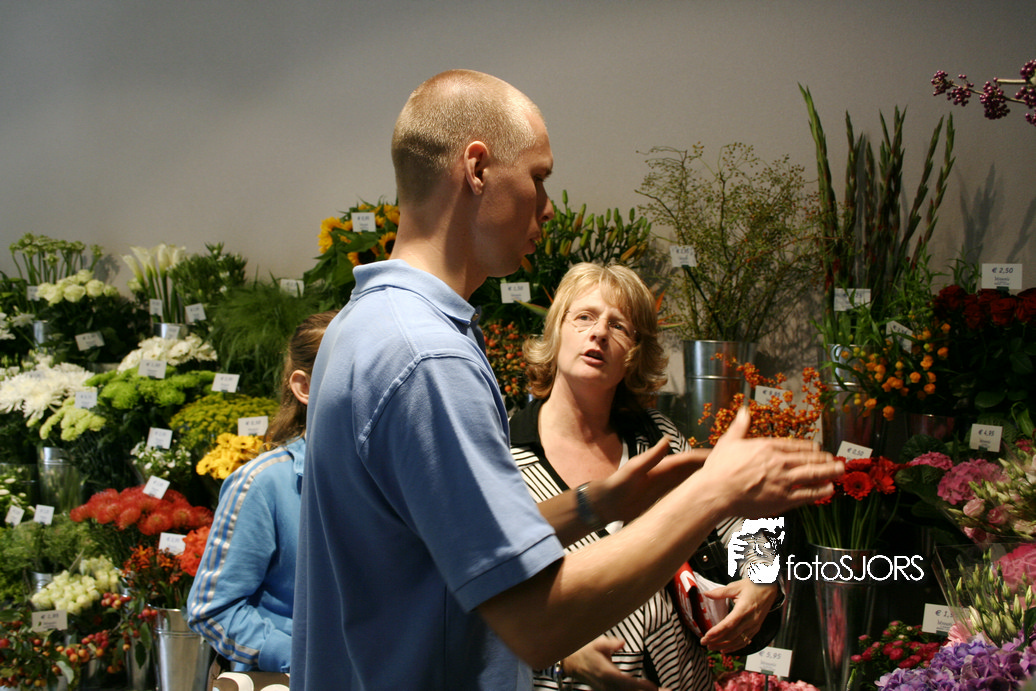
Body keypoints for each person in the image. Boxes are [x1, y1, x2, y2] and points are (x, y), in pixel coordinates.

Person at [292, 68, 842, 690]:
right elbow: (535, 623)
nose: (548, 207)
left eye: (620, 325)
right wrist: (713, 493)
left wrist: (597, 505)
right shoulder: (432, 361)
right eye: (538, 178)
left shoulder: (368, 325)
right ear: (476, 169)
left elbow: (456, 554)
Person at [512, 263, 781, 690]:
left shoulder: (658, 439)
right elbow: (475, 596)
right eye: (584, 316)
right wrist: (563, 654)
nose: (599, 333)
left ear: (634, 353)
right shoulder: (505, 456)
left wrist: (762, 577)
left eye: (618, 326)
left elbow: (744, 519)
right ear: (556, 330)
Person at [186, 309, 337, 673]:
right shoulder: (264, 483)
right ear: (304, 387)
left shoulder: (393, 479)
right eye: (351, 374)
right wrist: (303, 659)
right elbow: (212, 610)